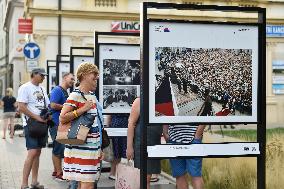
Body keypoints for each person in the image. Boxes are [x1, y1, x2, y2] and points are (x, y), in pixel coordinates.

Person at [60, 62, 103, 189]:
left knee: (84, 184)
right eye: (93, 78)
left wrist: (100, 146)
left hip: (91, 148)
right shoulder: (76, 95)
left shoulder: (90, 96)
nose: (96, 81)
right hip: (81, 148)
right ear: (83, 76)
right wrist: (83, 109)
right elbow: (63, 117)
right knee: (88, 185)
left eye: (96, 78)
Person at [17, 68, 50, 189]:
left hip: (41, 124)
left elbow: (47, 104)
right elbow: (21, 107)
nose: (43, 78)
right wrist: (37, 117)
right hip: (31, 124)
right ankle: (24, 183)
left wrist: (47, 115)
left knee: (38, 152)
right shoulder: (25, 87)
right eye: (41, 75)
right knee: (32, 152)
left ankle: (34, 181)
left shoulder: (42, 88)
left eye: (44, 76)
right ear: (34, 74)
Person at [126, 98, 163, 189]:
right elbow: (131, 123)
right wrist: (129, 147)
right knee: (144, 178)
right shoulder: (139, 100)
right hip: (141, 143)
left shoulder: (162, 100)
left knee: (147, 177)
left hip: (154, 142)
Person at [49, 73, 75, 181]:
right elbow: (53, 105)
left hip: (61, 124)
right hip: (56, 124)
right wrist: (68, 107)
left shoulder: (65, 92)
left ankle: (56, 171)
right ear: (64, 78)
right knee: (58, 148)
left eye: (74, 79)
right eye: (71, 79)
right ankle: (59, 173)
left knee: (58, 147)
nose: (73, 81)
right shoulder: (57, 90)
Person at [163, 124, 205, 189]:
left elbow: (204, 114)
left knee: (195, 175)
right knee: (179, 175)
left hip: (193, 138)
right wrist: (165, 133)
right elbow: (165, 114)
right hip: (174, 139)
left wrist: (198, 135)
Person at [107, 114, 129, 180]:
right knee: (116, 151)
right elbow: (109, 116)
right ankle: (113, 172)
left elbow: (109, 116)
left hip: (120, 125)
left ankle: (114, 172)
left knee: (118, 150)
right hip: (120, 126)